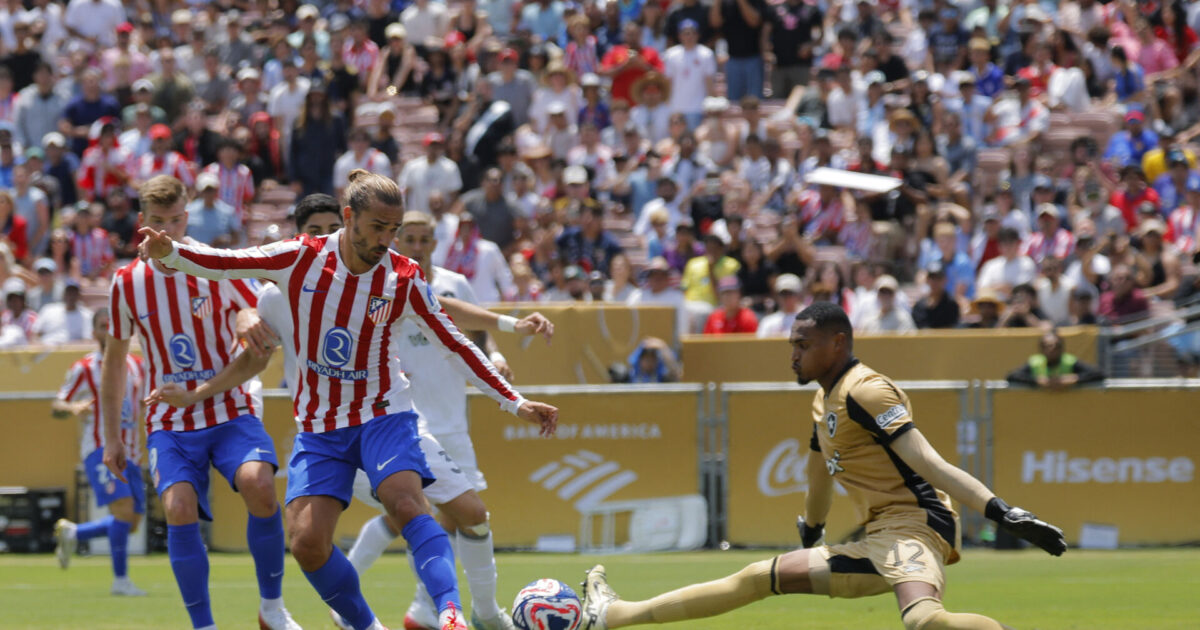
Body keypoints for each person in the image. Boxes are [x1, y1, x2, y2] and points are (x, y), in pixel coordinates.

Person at [138, 170, 559, 630]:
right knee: (306, 542)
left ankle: (451, 613)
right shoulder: (299, 258)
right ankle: (366, 624)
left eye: (393, 230)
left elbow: (455, 343)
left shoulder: (403, 277)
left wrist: (515, 402)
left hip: (384, 414)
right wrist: (172, 253)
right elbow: (228, 262)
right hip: (321, 427)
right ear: (348, 217)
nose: (386, 240)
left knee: (407, 503)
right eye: (377, 227)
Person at [579, 302, 1066, 630]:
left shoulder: (868, 390)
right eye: (792, 344)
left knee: (923, 621)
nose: (792, 355)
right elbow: (819, 474)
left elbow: (929, 462)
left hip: (913, 530)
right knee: (758, 575)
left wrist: (1003, 513)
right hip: (878, 537)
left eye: (802, 345)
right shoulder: (824, 400)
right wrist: (812, 529)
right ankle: (612, 615)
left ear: (837, 343)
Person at [100, 175, 299, 630]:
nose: (164, 231)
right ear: (141, 223)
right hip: (169, 417)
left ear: (186, 219)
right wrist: (113, 437)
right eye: (156, 221)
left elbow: (253, 310)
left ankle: (272, 608)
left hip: (230, 407)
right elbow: (114, 364)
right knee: (178, 508)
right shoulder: (127, 282)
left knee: (261, 485)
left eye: (173, 221)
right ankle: (203, 626)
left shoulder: (211, 263)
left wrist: (248, 315)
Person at [51, 308, 146, 596]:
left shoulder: (137, 366)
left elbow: (142, 403)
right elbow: (57, 405)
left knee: (131, 522)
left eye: (113, 324)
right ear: (94, 333)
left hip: (132, 452)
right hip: (100, 448)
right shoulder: (84, 367)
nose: (110, 329)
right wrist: (73, 407)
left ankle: (74, 533)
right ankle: (120, 581)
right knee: (124, 511)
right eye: (104, 325)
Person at [1006, 330, 1104, 390]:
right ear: (1041, 349)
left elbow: (1098, 374)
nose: (1052, 349)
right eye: (1048, 346)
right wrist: (1037, 381)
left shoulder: (1069, 361)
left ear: (1062, 348)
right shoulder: (1035, 362)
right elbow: (1011, 376)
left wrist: (1073, 379)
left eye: (1056, 346)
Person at [33, 278, 92, 345]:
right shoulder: (48, 309)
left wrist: (65, 346)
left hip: (73, 353)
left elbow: (87, 341)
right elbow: (35, 335)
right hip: (45, 351)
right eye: (69, 293)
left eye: (74, 293)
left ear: (79, 296)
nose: (71, 296)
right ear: (63, 294)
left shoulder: (86, 315)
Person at [912, 262, 961, 329]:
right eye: (932, 278)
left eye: (938, 278)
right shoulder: (919, 306)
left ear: (945, 280)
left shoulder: (951, 305)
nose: (934, 282)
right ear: (927, 280)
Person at [756, 273, 803, 338]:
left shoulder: (807, 321)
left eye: (790, 293)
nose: (786, 297)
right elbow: (760, 344)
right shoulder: (768, 322)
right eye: (783, 294)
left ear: (799, 295)